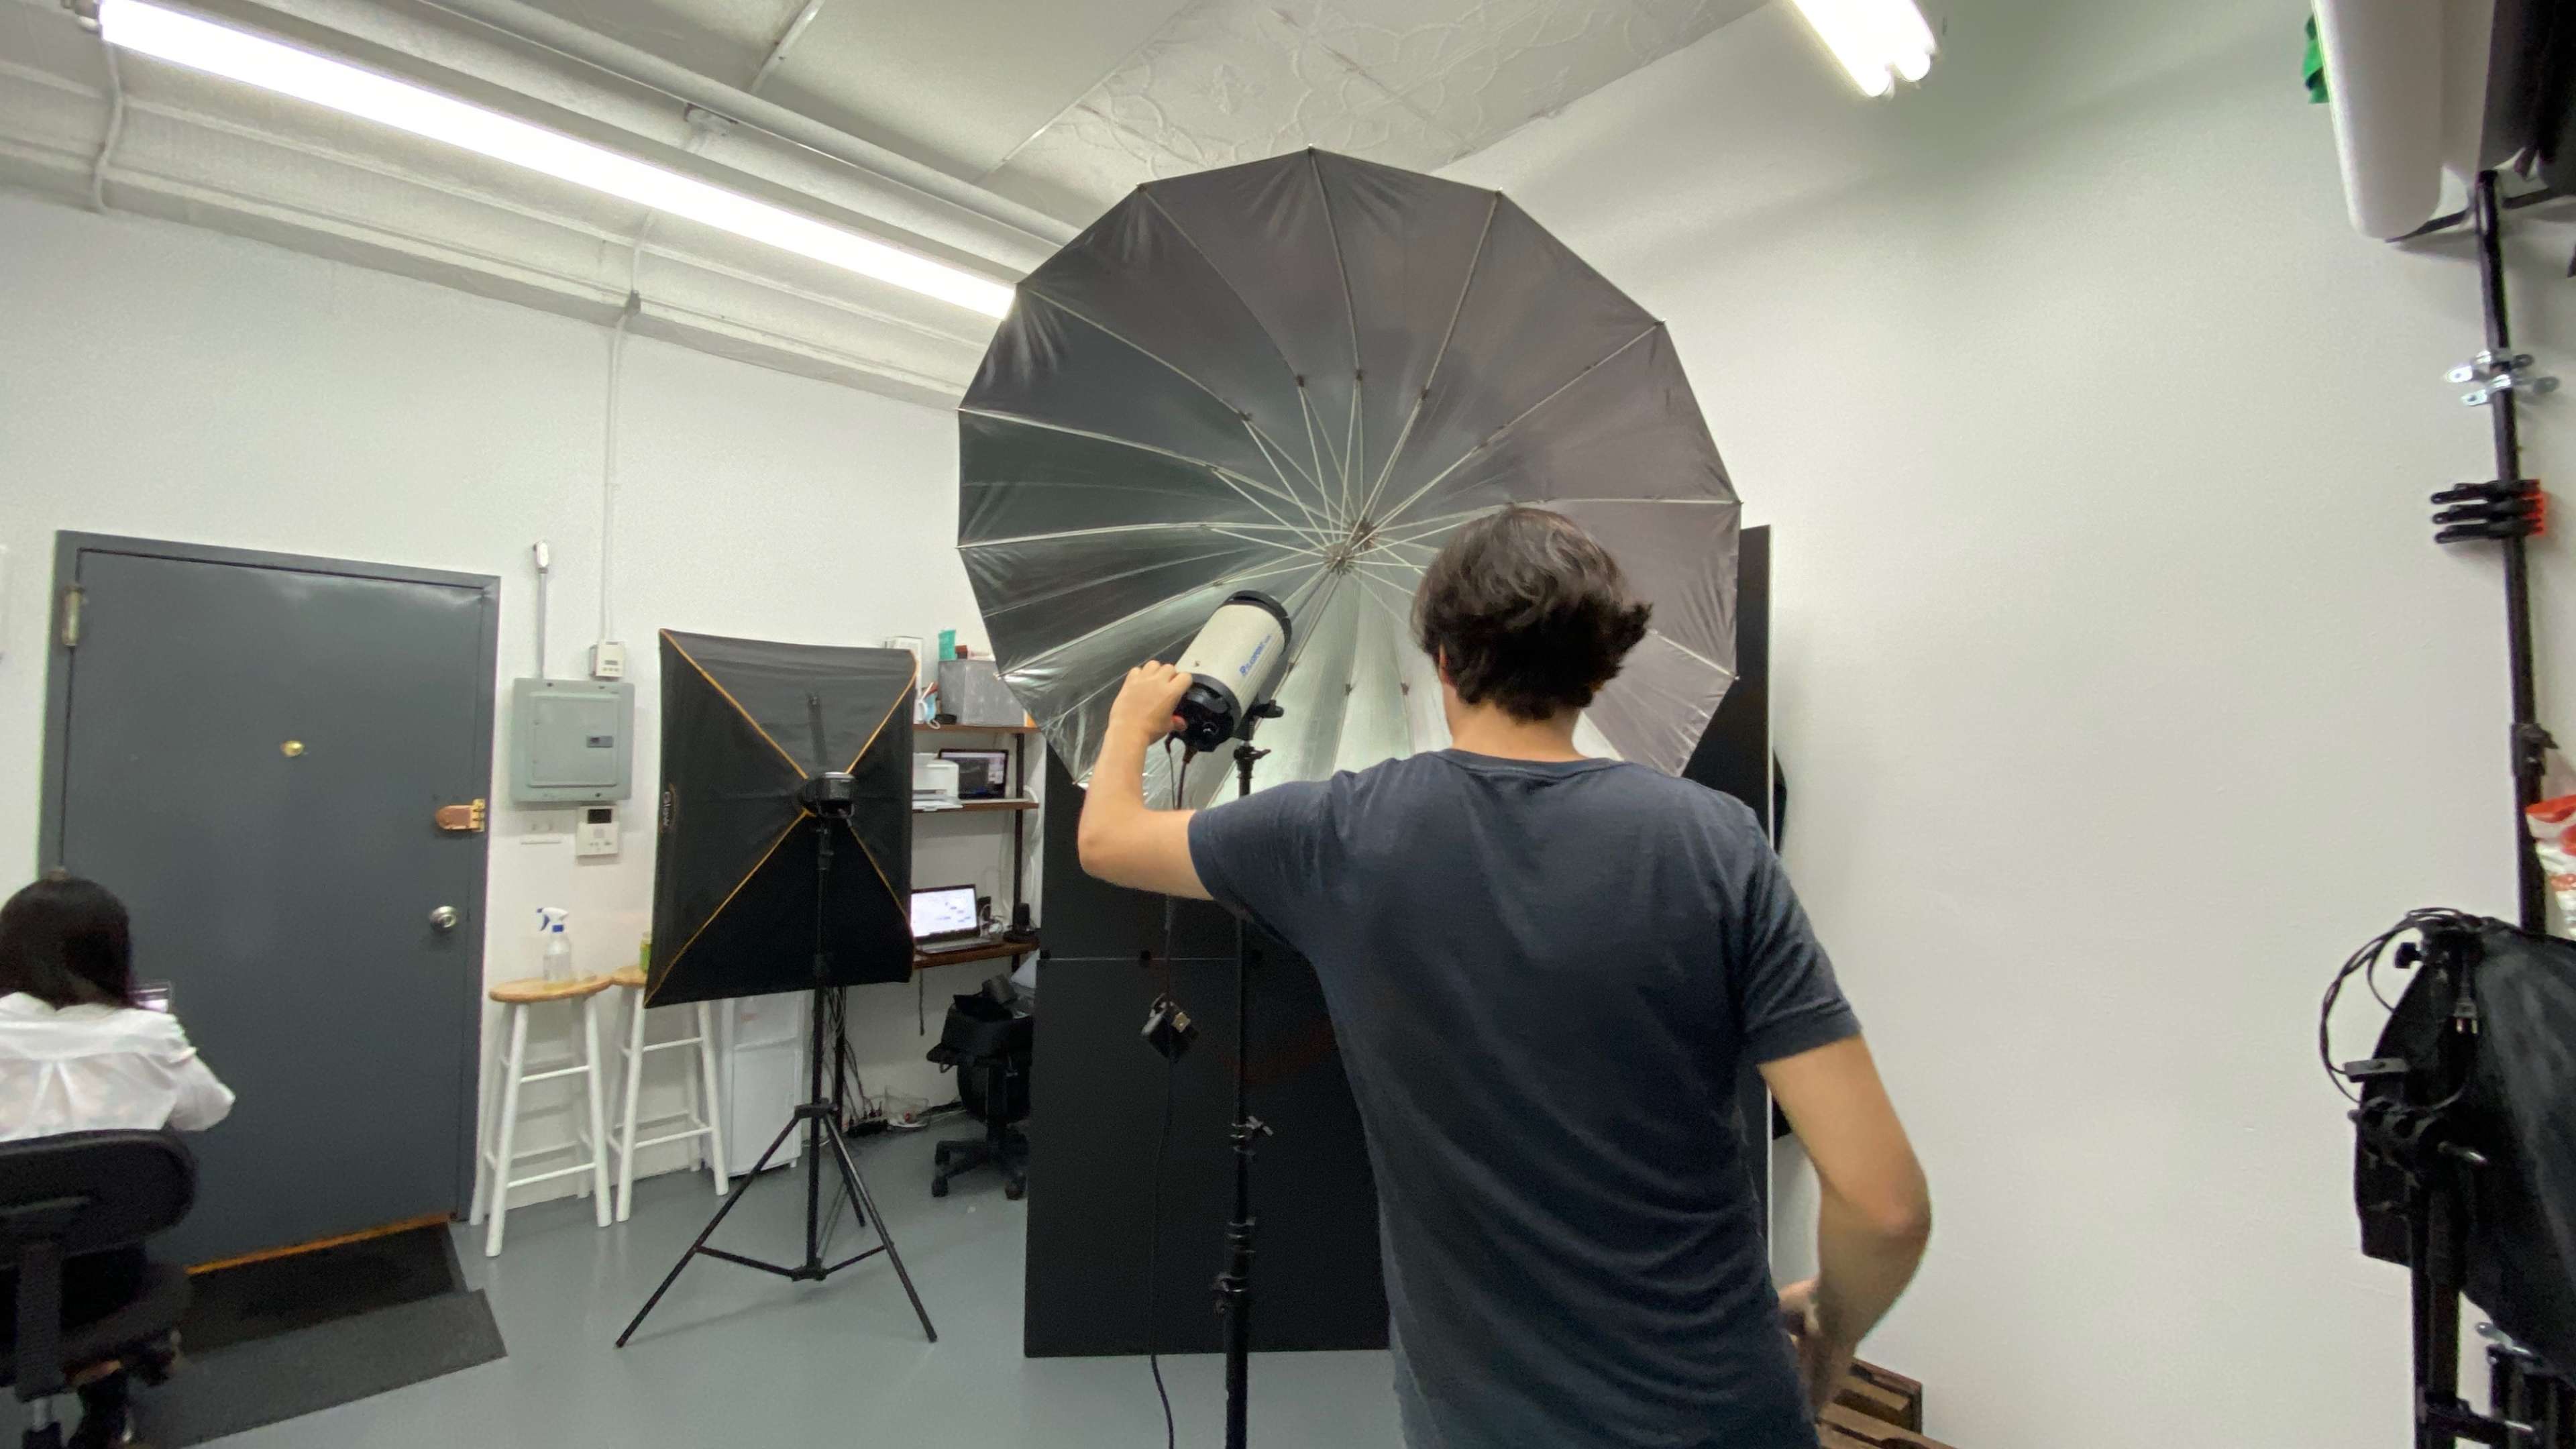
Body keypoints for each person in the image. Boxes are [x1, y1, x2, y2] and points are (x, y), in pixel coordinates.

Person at [1078, 506, 1931, 1449]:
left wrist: (1130, 722)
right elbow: (1885, 1208)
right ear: (1600, 668)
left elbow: (1107, 839)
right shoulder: (1715, 842)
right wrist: (1835, 1333)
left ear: (1443, 659)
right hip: (1724, 1411)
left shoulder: (1337, 836)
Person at [0, 875, 233, 1449]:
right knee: (95, 1237)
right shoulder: (148, 1036)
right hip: (109, 1289)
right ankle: (108, 1403)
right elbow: (208, 1111)